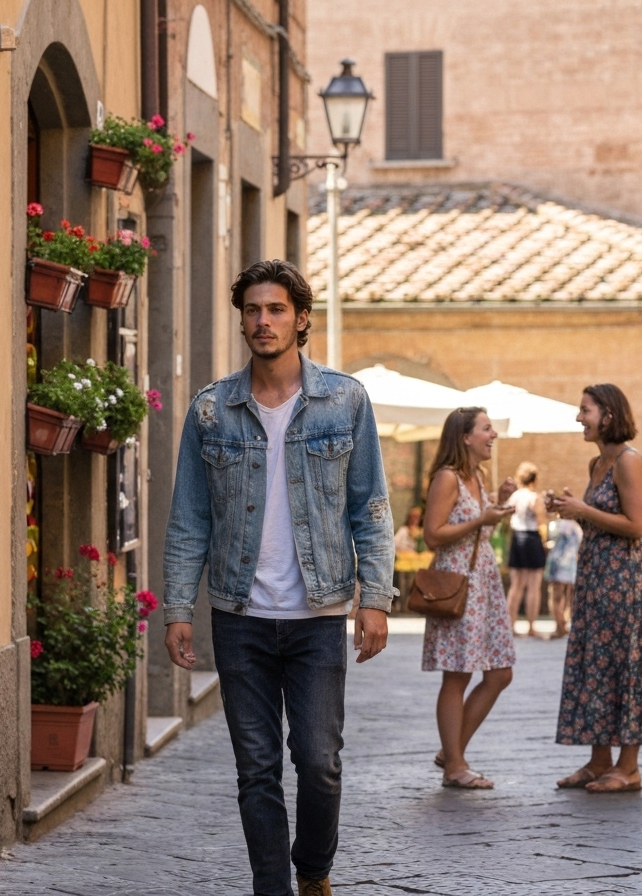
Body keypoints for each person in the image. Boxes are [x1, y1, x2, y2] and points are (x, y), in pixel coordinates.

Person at [162, 260, 396, 896]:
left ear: (300, 320)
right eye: (252, 311)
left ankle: (313, 869)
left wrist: (375, 599)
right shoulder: (211, 410)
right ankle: (272, 887)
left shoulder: (344, 400)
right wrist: (178, 607)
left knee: (319, 764)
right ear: (242, 320)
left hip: (317, 617)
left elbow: (370, 507)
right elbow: (189, 518)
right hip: (239, 616)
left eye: (275, 310)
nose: (262, 322)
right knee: (256, 767)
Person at [547, 383, 642, 793]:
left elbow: (635, 526)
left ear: (607, 415)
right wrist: (571, 511)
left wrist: (584, 509)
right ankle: (598, 761)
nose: (579, 417)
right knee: (594, 665)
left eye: (585, 410)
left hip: (625, 582)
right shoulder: (599, 463)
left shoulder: (629, 460)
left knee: (626, 667)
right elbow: (599, 521)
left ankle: (628, 768)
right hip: (595, 578)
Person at [421, 407, 516, 789]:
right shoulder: (448, 478)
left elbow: (476, 527)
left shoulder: (476, 476)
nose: (493, 434)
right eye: (487, 428)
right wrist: (482, 520)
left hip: (483, 584)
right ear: (465, 437)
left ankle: (452, 748)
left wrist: (498, 501)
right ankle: (455, 766)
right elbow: (433, 534)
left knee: (500, 672)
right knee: (457, 674)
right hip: (457, 583)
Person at [505, 462, 548, 638]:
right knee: (534, 585)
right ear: (534, 479)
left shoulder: (514, 496)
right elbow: (541, 520)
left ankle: (510, 625)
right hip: (531, 538)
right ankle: (531, 626)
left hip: (517, 537)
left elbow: (506, 514)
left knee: (516, 585)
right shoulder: (533, 497)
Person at [543, 516, 582, 638]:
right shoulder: (576, 526)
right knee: (571, 595)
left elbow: (549, 542)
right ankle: (567, 623)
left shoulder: (555, 525)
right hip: (572, 562)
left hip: (557, 561)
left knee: (556, 596)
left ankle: (560, 626)